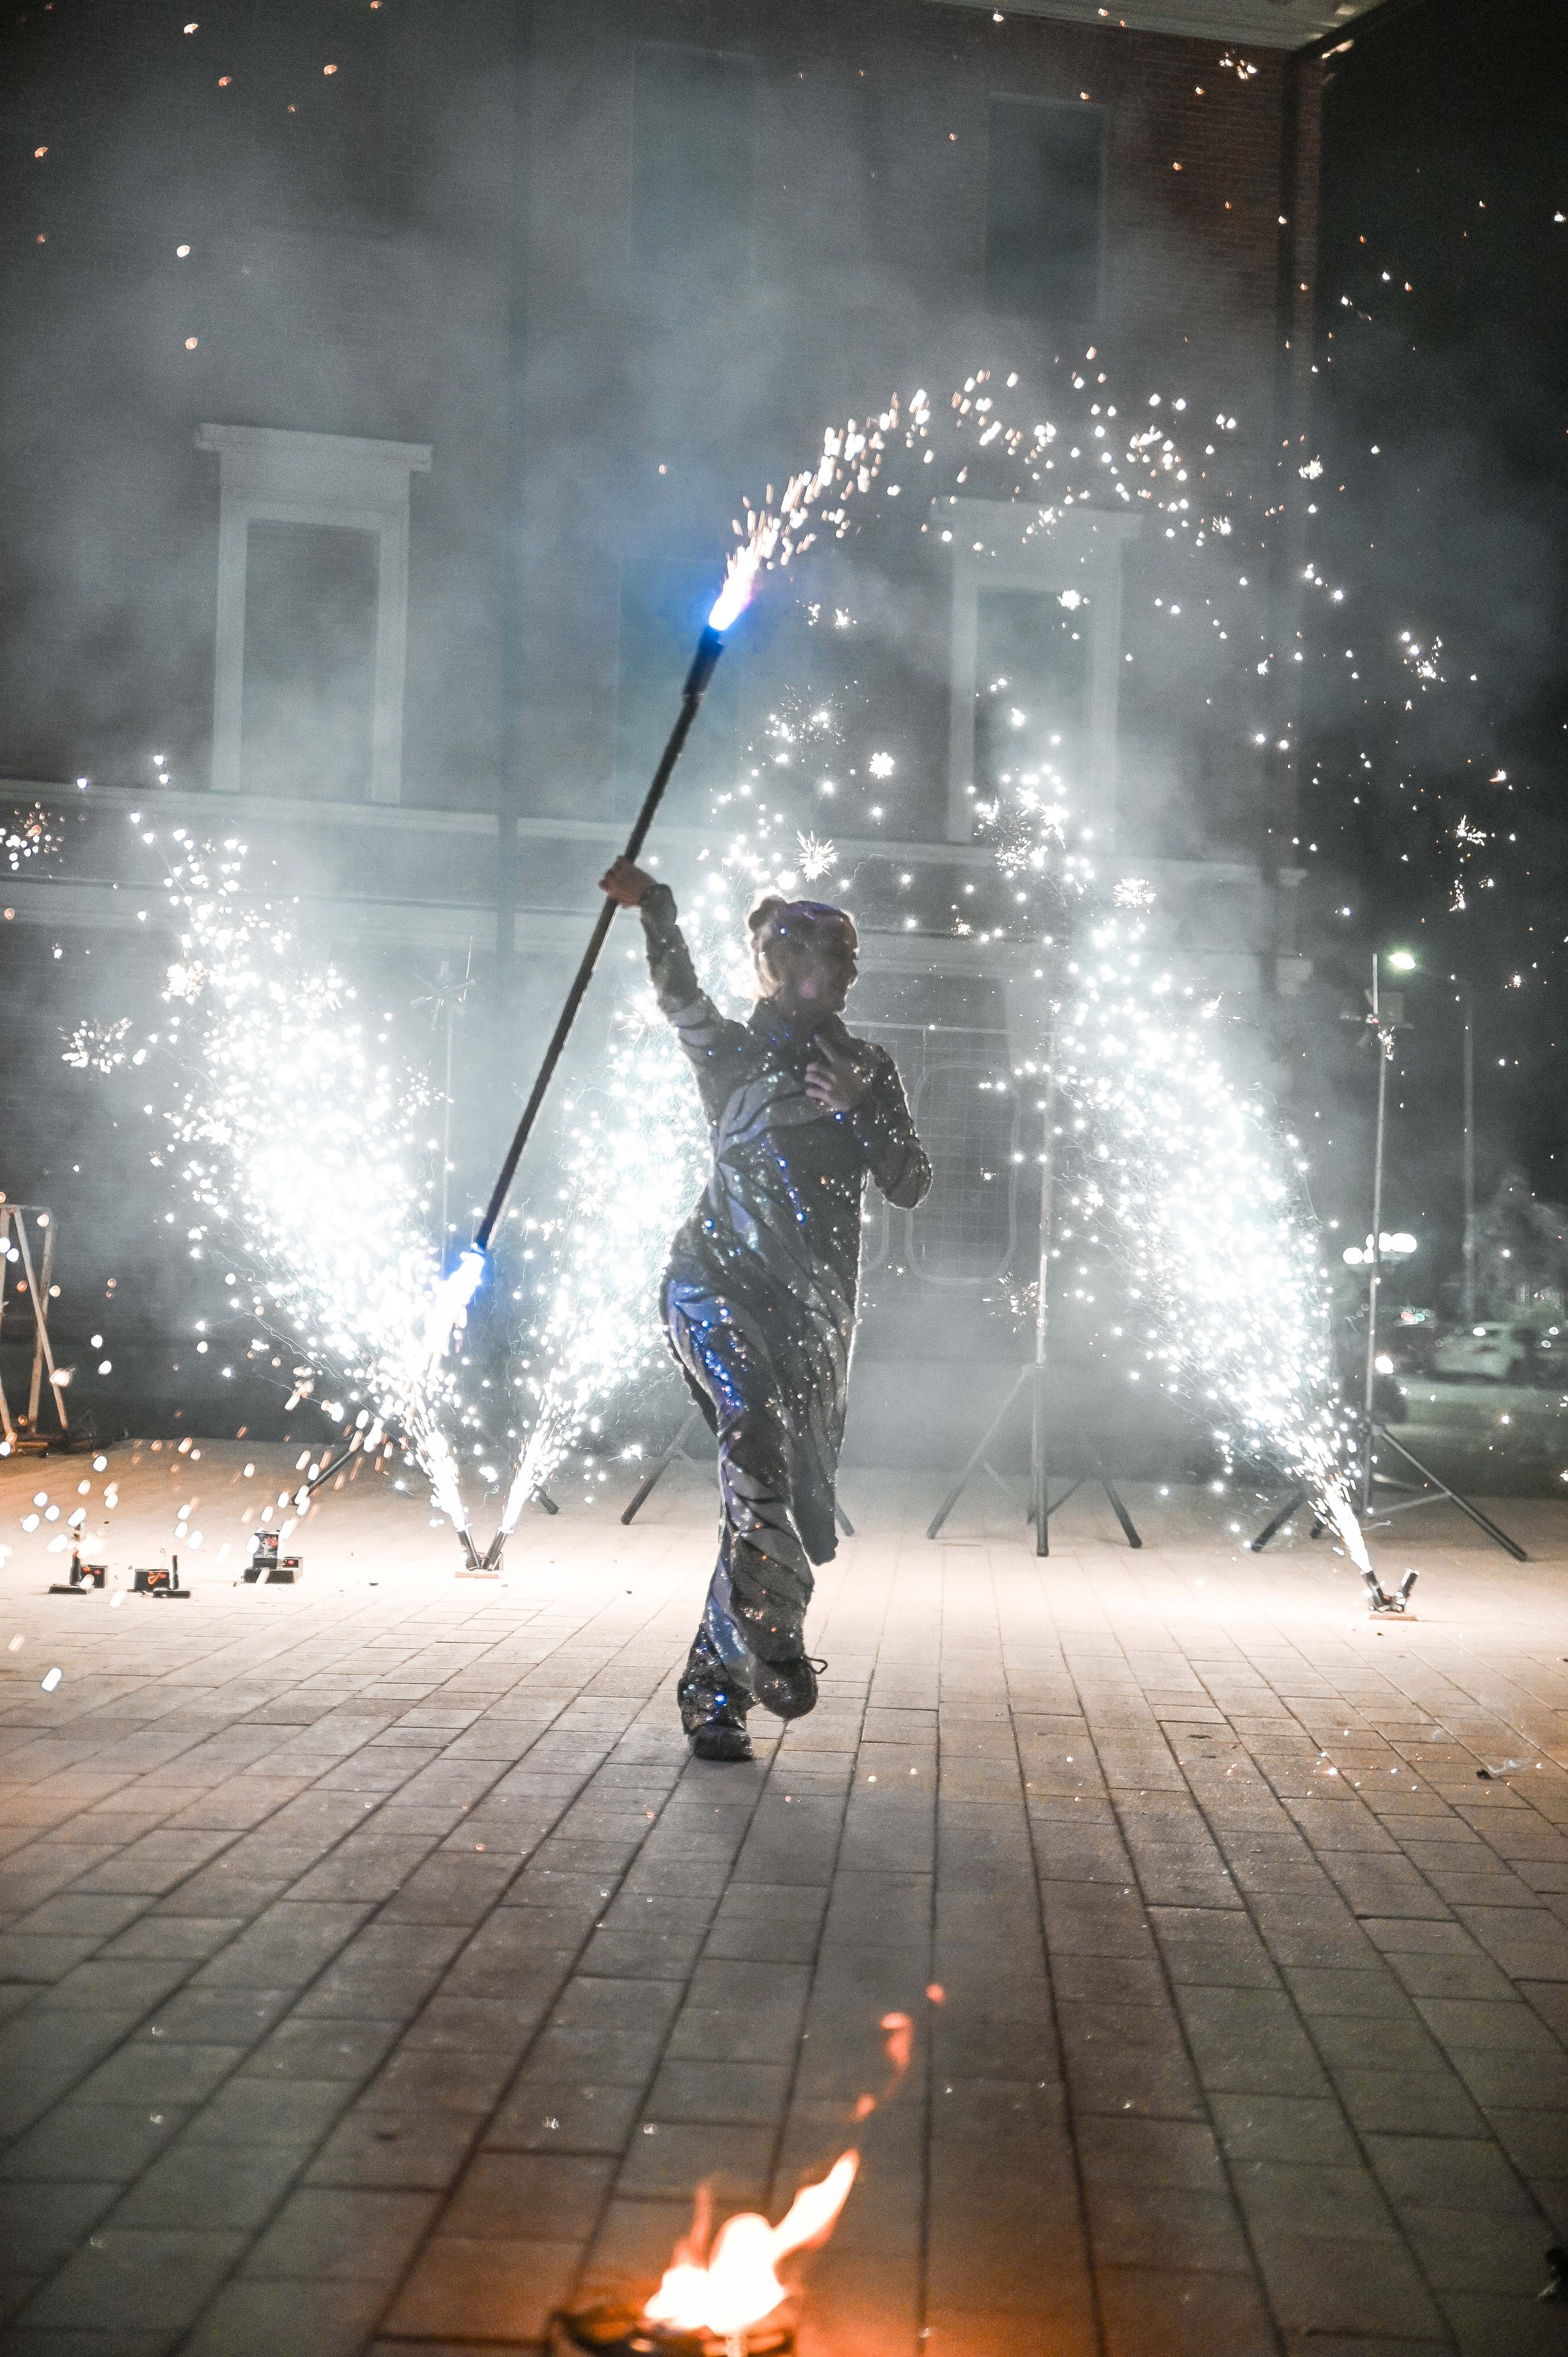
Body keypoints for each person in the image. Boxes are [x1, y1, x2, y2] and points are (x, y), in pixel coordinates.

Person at [600, 856, 932, 1761]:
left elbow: (910, 1182)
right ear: (790, 967)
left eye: (855, 961)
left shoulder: (867, 1066)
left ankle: (716, 1685)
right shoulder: (734, 1055)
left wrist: (865, 1111)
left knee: (772, 1488)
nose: (851, 976)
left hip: (809, 1316)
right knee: (753, 1439)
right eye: (839, 958)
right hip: (713, 1282)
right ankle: (772, 1642)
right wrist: (657, 908)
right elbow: (681, 998)